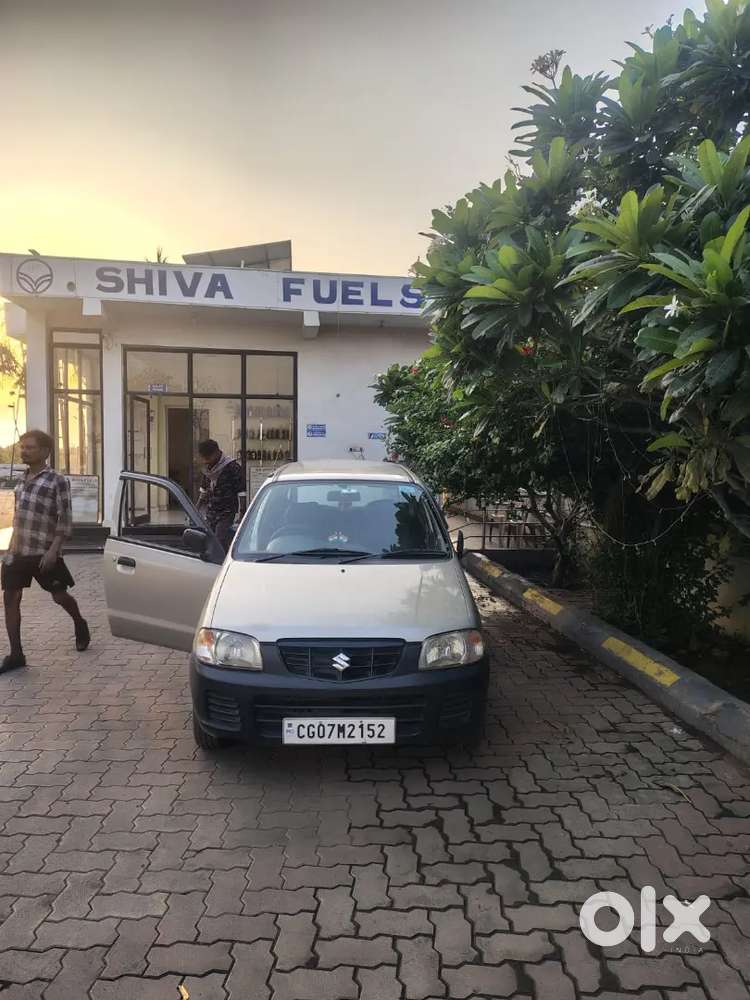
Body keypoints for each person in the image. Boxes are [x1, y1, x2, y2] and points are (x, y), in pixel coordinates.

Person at [1, 430, 90, 674]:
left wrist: (54, 550)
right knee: (10, 598)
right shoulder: (22, 478)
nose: (23, 451)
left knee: (59, 596)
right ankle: (16, 654)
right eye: (22, 447)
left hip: (43, 551)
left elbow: (65, 517)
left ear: (45, 452)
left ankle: (79, 623)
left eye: (29, 447)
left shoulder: (57, 480)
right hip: (17, 550)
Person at [196, 439, 244, 551]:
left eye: (208, 457)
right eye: (204, 458)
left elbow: (242, 492)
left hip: (226, 511)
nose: (206, 461)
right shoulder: (208, 469)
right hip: (211, 511)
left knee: (220, 538)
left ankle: (223, 562)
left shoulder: (232, 467)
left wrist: (242, 513)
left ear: (217, 452)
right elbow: (203, 491)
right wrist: (196, 509)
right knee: (210, 538)